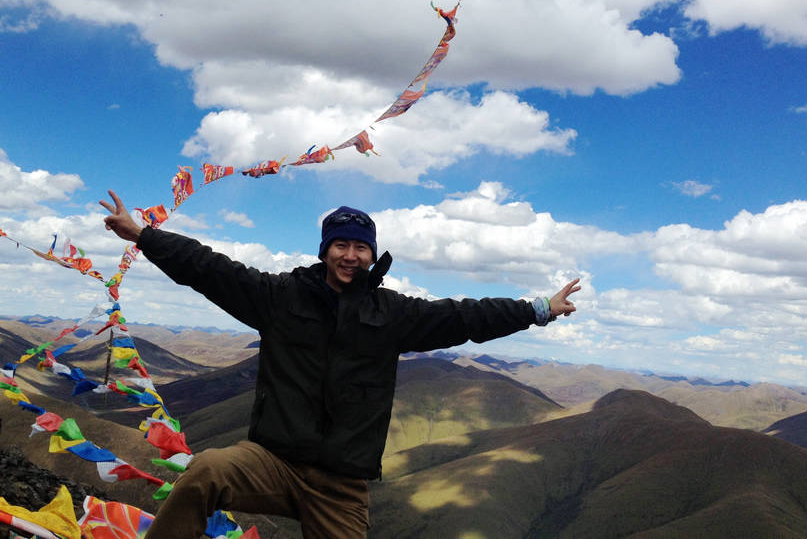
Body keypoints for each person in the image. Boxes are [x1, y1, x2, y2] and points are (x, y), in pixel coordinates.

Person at [100, 190, 579, 539]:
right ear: (325, 249)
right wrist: (143, 235)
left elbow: (465, 316)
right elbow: (208, 268)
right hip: (272, 461)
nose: (351, 256)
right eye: (341, 245)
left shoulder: (393, 314)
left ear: (372, 254)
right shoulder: (279, 297)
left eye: (361, 247)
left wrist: (539, 309)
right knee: (205, 470)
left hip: (341, 484)